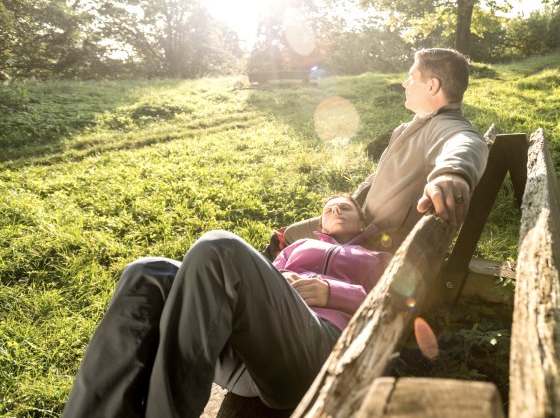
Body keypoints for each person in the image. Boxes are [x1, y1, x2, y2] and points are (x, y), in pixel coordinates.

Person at [62, 194, 391, 418]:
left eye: (344, 208)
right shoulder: (301, 244)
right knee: (148, 272)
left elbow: (394, 302)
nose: (334, 211)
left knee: (219, 247)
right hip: (247, 354)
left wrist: (332, 291)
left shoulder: (376, 258)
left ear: (362, 222)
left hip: (315, 351)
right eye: (328, 208)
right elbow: (255, 283)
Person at [284, 48, 489, 252]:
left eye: (412, 77)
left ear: (432, 86)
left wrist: (453, 173)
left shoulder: (443, 125)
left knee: (288, 241)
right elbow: (378, 176)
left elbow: (466, 140)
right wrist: (353, 204)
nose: (404, 83)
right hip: (362, 221)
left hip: (375, 243)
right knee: (288, 234)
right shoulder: (407, 129)